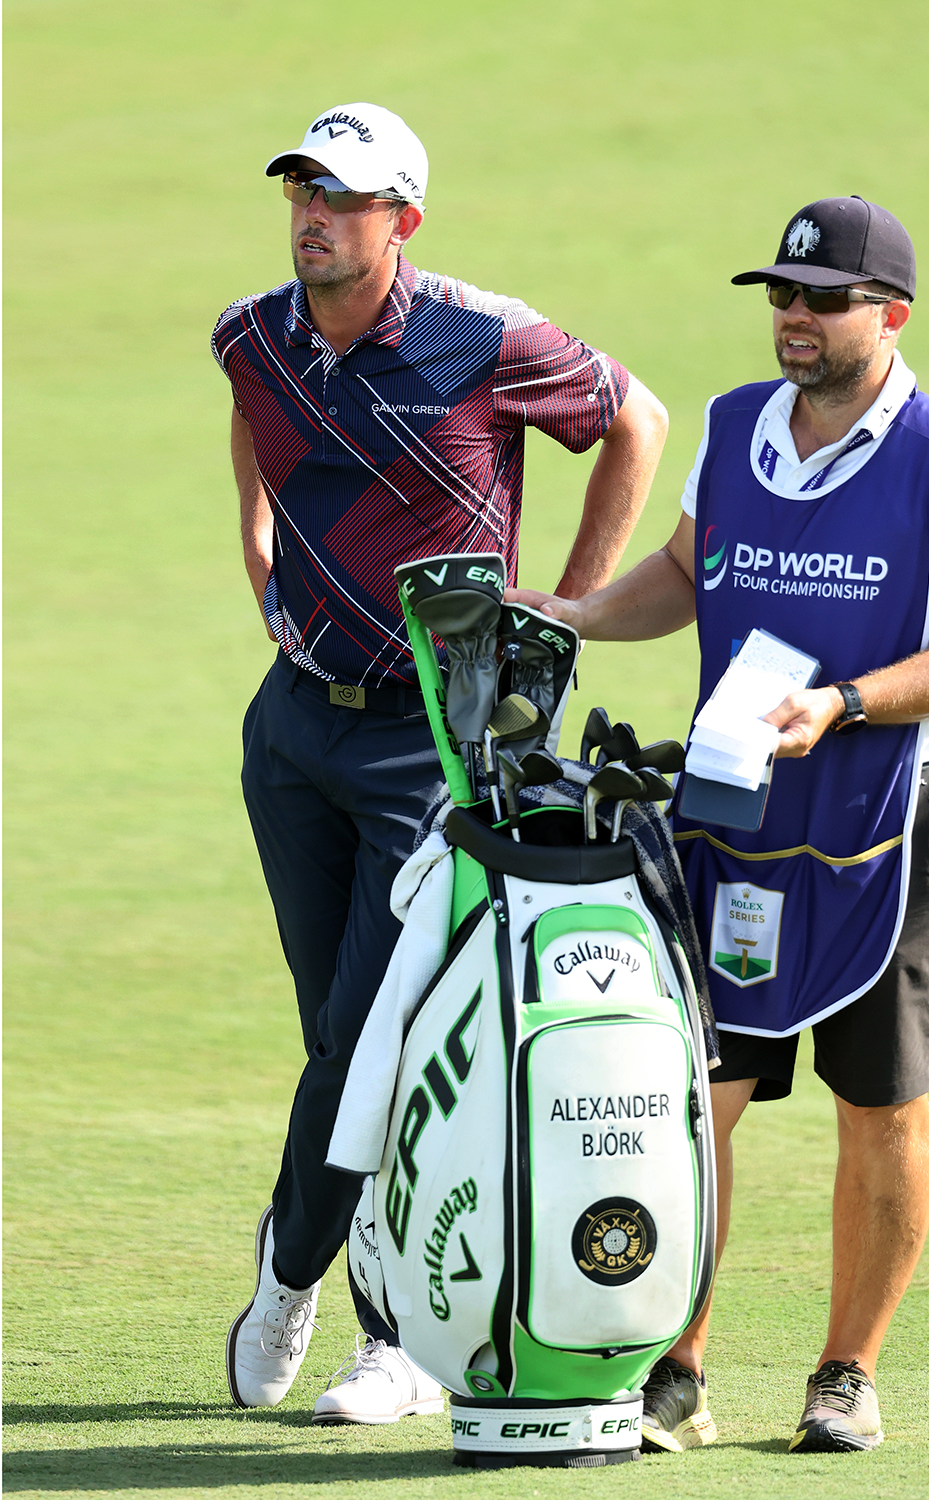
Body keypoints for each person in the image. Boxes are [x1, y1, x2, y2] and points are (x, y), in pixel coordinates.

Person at [510, 196, 929, 1454]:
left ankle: (846, 1372)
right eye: (781, 295)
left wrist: (842, 705)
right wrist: (562, 612)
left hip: (891, 813)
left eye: (823, 298)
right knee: (697, 1093)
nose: (794, 317)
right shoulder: (735, 426)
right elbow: (688, 578)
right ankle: (674, 1363)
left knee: (880, 1099)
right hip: (738, 808)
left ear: (889, 315)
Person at [210, 102, 668, 1422]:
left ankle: (360, 1313)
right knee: (333, 1032)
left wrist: (564, 615)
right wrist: (255, 549)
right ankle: (320, 1266)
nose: (314, 217)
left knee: (379, 1035)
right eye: (302, 191)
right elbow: (251, 409)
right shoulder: (257, 333)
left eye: (343, 199)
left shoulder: (486, 336)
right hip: (295, 728)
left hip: (439, 737)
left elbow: (636, 421)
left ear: (400, 218)